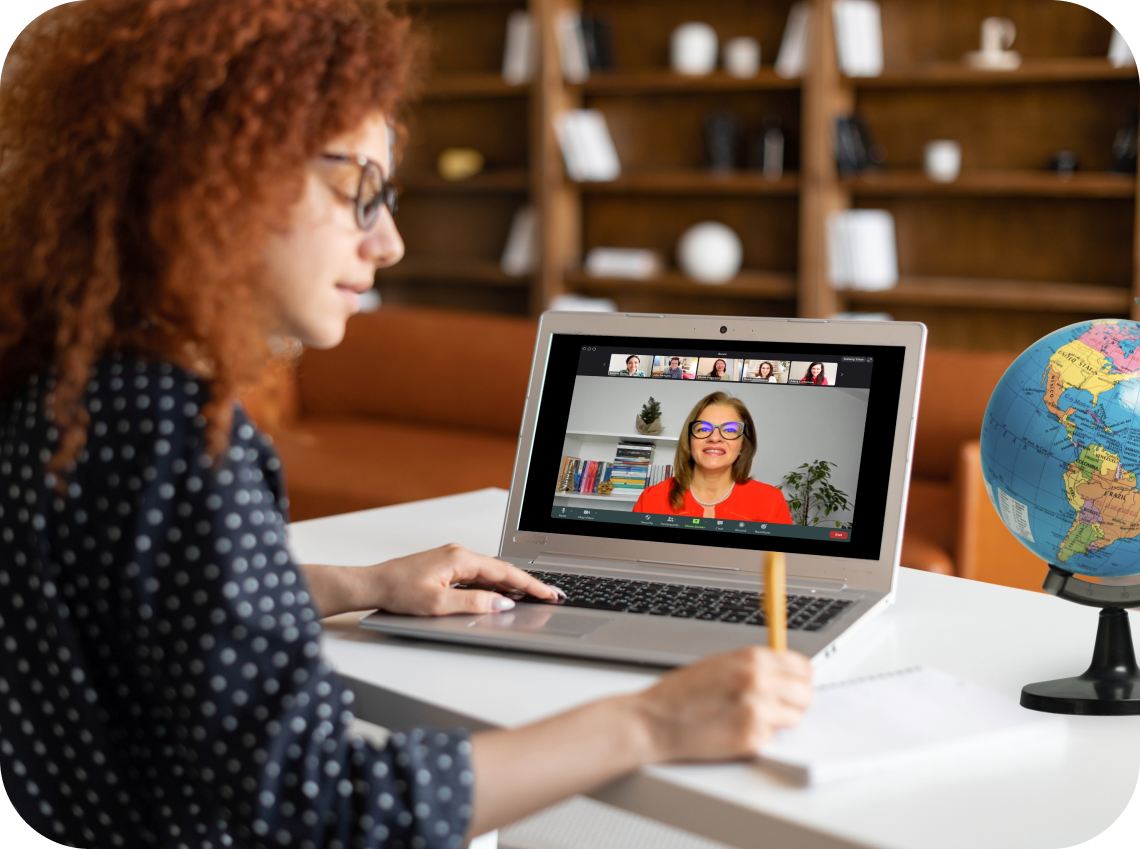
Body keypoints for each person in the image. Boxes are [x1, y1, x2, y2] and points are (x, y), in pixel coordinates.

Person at [0, 2, 812, 846]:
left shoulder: (72, 388)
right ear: (224, 176)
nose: (387, 242)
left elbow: (150, 604)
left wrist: (362, 585)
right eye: (361, 194)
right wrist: (650, 722)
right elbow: (323, 808)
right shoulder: (178, 435)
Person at [632, 392, 795, 523]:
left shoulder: (771, 500)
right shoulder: (651, 498)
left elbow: (781, 563)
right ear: (689, 441)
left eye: (730, 430)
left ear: (743, 445)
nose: (715, 438)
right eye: (703, 428)